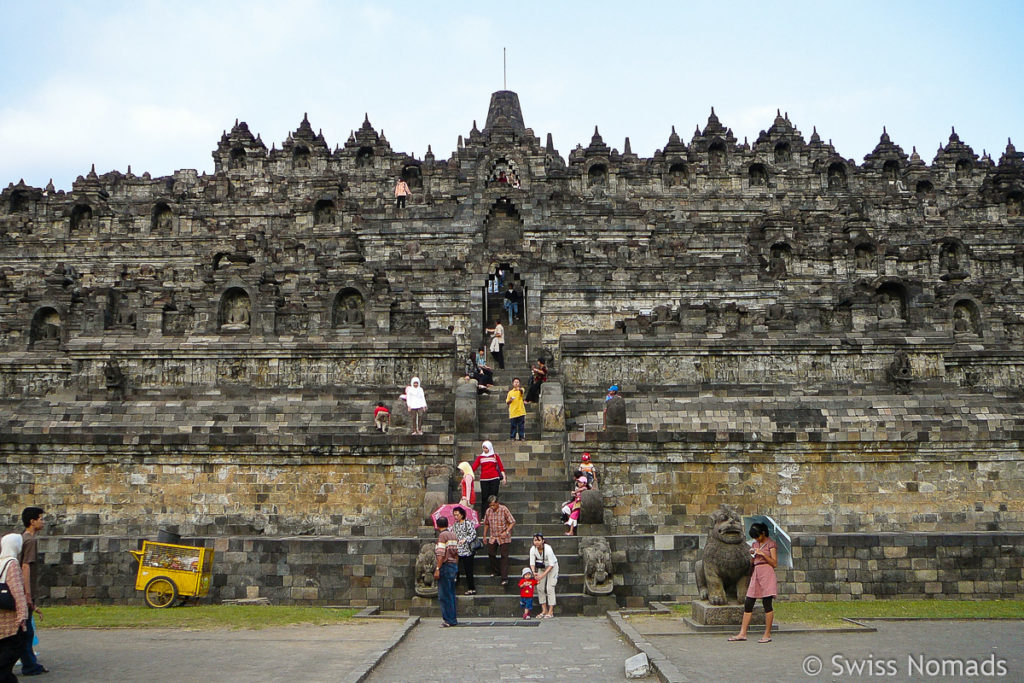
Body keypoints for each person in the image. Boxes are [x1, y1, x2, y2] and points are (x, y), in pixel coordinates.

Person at [729, 522, 778, 644]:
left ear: (763, 533)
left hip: (767, 572)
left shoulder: (771, 544)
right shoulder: (755, 544)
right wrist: (753, 555)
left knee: (767, 603)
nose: (756, 539)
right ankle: (742, 633)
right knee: (749, 602)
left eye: (758, 536)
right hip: (756, 572)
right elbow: (752, 561)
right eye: (754, 537)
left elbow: (774, 563)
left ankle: (767, 634)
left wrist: (763, 554)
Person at [19, 507, 47, 676]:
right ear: (32, 521)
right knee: (26, 630)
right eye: (40, 518)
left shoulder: (22, 539)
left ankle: (30, 662)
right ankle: (29, 664)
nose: (42, 522)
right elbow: (25, 566)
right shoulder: (30, 541)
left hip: (20, 590)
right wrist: (28, 594)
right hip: (24, 590)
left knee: (25, 629)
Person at [1, 533, 29, 683]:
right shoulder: (12, 563)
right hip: (11, 623)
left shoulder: (0, 561)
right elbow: (18, 592)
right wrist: (22, 617)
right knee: (10, 655)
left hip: (1, 621)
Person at [481, 496, 516, 586]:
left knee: (504, 556)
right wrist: (484, 536)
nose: (492, 507)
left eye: (494, 505)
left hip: (504, 535)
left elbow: (512, 522)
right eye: (491, 505)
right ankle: (496, 571)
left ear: (497, 503)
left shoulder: (504, 509)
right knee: (491, 553)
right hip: (493, 536)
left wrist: (507, 531)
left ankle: (504, 577)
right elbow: (486, 523)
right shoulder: (488, 511)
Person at [433, 517, 459, 628]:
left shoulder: (442, 536)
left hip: (445, 566)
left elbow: (441, 554)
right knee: (451, 593)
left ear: (437, 525)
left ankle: (448, 619)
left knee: (444, 595)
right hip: (453, 565)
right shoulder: (453, 535)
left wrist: (437, 569)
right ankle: (453, 618)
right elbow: (457, 552)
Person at [471, 441, 506, 519]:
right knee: (485, 497)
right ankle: (484, 516)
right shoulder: (480, 457)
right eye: (483, 448)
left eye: (486, 448)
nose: (485, 449)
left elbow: (501, 467)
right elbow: (474, 467)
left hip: (494, 478)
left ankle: (495, 515)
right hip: (484, 479)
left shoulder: (495, 456)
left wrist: (504, 477)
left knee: (493, 497)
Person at [529, 534, 558, 618]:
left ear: (543, 541)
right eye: (535, 540)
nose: (537, 542)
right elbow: (532, 562)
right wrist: (534, 572)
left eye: (538, 540)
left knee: (550, 587)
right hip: (541, 567)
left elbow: (551, 564)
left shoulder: (548, 548)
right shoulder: (533, 549)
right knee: (539, 587)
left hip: (552, 567)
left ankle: (551, 611)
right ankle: (544, 610)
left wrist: (542, 575)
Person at [451, 506, 477, 596]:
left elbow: (473, 534)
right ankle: (454, 586)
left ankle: (471, 588)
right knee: (455, 569)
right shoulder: (455, 525)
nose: (456, 517)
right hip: (458, 550)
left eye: (457, 515)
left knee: (468, 570)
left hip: (467, 550)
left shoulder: (468, 523)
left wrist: (465, 539)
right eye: (454, 515)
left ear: (462, 515)